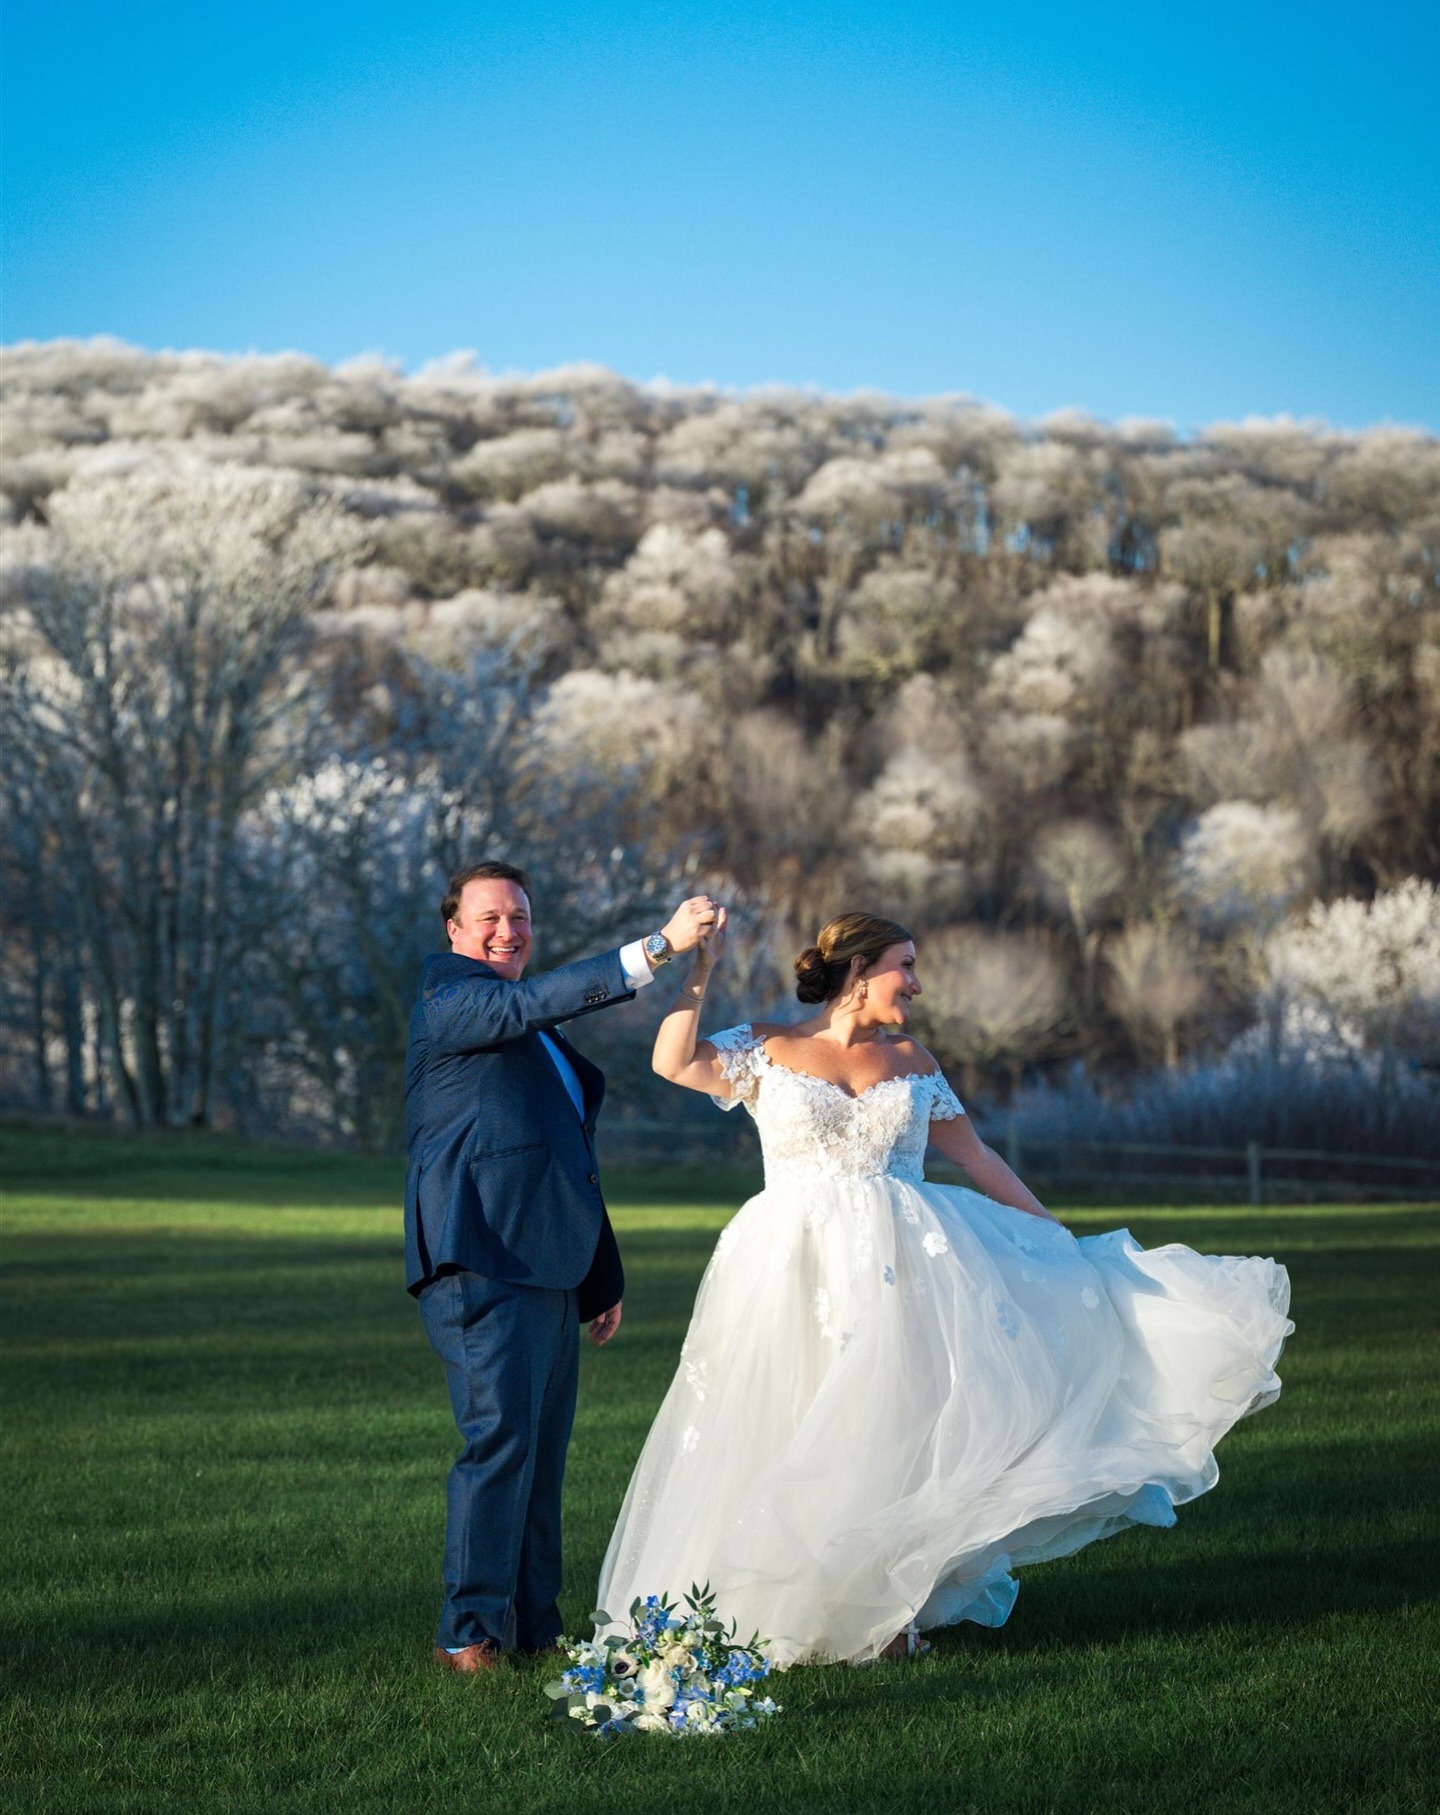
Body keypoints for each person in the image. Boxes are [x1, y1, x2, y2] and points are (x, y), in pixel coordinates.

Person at [597, 911, 1292, 1666]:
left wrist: (1056, 1236)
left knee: (894, 1428)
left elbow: (978, 1156)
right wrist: (699, 967)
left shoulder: (913, 1059)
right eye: (907, 965)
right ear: (861, 973)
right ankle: (783, 1601)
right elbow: (674, 1061)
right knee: (794, 1419)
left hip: (909, 1269)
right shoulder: (768, 1046)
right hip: (791, 1268)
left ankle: (887, 1616)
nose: (919, 983)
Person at [405, 860, 717, 1672]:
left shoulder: (533, 1032)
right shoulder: (451, 998)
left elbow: (566, 1157)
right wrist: (656, 947)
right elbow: (528, 1000)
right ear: (454, 931)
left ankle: (535, 1627)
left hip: (546, 1265)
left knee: (543, 1454)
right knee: (500, 1442)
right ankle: (467, 1632)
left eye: (521, 916)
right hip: (481, 1259)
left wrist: (598, 1274)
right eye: (490, 918)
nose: (509, 930)